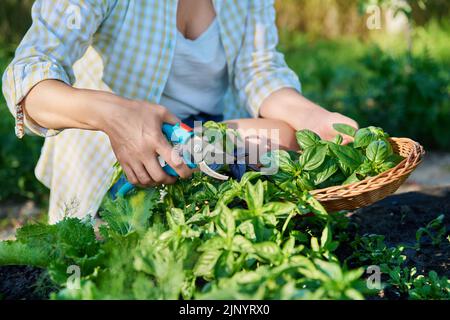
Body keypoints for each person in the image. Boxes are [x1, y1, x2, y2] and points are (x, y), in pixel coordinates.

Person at [2, 0, 358, 223]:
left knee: (284, 138)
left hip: (204, 141)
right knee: (124, 240)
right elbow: (29, 76)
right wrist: (115, 114)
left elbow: (259, 70)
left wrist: (317, 120)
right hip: (120, 155)